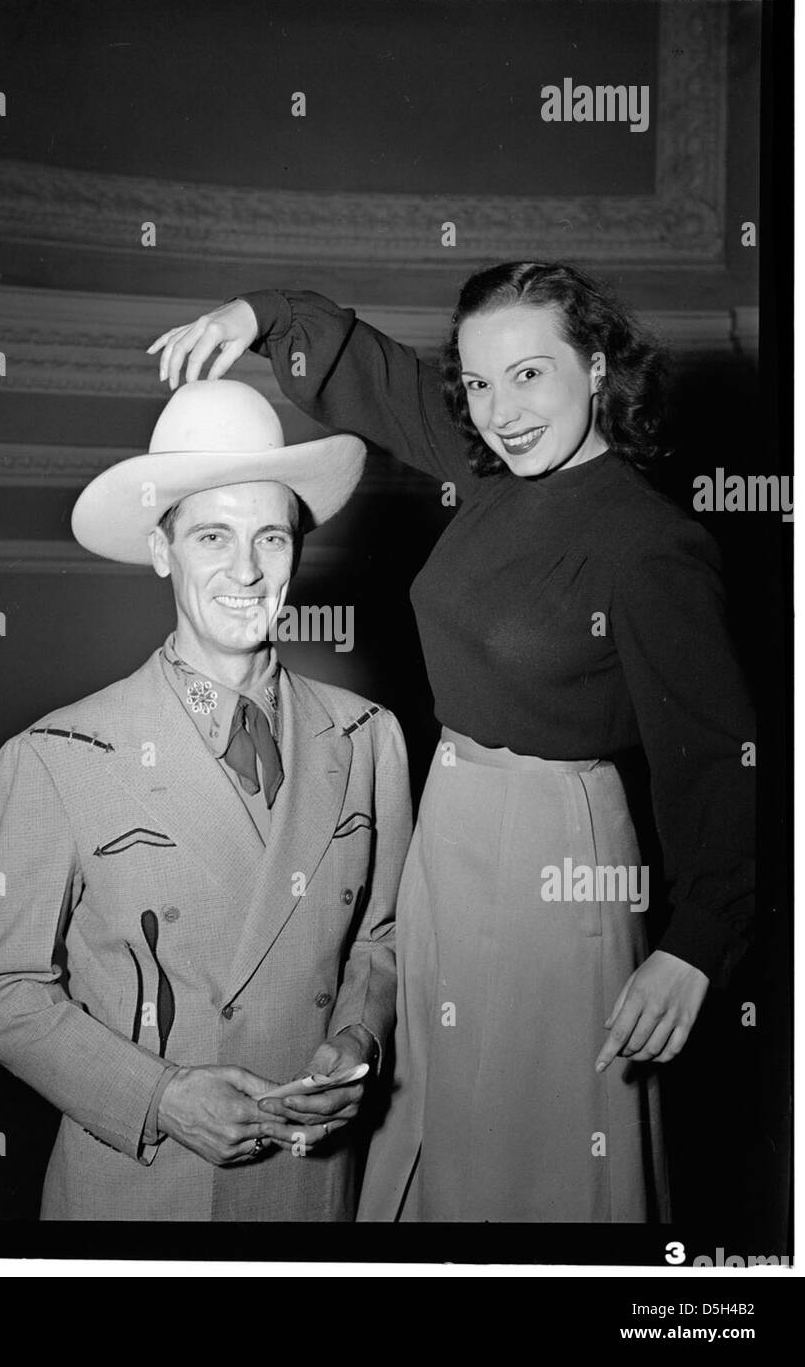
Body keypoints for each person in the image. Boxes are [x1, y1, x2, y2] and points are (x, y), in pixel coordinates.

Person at [148, 263, 756, 1223]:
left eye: (528, 375)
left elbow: (722, 756)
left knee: (531, 1137)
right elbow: (380, 375)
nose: (501, 411)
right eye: (477, 382)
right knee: (438, 1107)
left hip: (559, 856)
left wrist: (696, 943)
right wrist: (265, 315)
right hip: (451, 828)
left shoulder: (649, 547)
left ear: (597, 368)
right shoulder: (490, 471)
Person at [0, 379, 413, 1221]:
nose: (246, 569)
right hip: (141, 1191)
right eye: (213, 536)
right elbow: (3, 989)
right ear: (162, 550)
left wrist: (359, 1041)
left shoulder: (369, 737)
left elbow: (381, 939)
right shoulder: (56, 757)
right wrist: (161, 1097)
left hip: (314, 1187)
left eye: (270, 536)